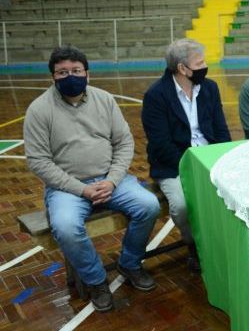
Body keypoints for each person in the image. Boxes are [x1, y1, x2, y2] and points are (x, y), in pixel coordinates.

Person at [23, 46, 160, 312]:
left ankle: (130, 263)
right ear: (53, 76)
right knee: (64, 226)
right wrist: (82, 190)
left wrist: (112, 180)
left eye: (76, 71)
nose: (69, 76)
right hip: (67, 188)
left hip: (111, 180)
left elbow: (124, 143)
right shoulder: (39, 110)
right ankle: (97, 280)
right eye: (62, 72)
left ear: (87, 73)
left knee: (148, 205)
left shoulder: (105, 99)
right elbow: (38, 161)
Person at [142, 38, 231, 271]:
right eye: (199, 62)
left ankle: (223, 242)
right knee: (181, 205)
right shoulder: (156, 95)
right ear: (182, 69)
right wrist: (191, 167)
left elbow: (221, 130)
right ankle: (193, 244)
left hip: (209, 158)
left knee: (233, 192)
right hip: (174, 164)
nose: (204, 66)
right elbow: (161, 144)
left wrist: (222, 159)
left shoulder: (209, 88)